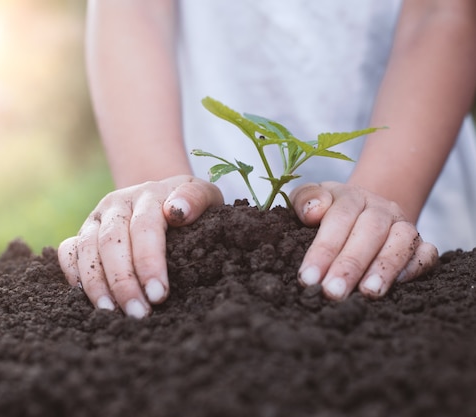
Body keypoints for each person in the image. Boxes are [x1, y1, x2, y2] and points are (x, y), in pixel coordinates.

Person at [58, 0, 476, 318]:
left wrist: (384, 199)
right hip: (195, 178)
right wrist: (155, 192)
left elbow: (441, 12)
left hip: (412, 157)